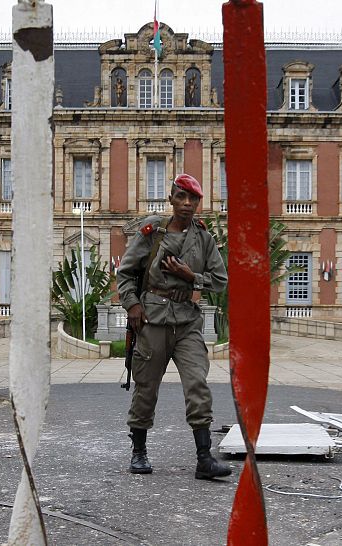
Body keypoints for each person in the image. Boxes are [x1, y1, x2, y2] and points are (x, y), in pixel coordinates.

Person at [116, 173, 231, 480]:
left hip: (187, 321)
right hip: (152, 319)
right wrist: (133, 305)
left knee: (197, 383)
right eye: (181, 196)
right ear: (171, 199)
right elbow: (126, 274)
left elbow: (220, 282)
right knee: (146, 387)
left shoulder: (203, 239)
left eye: (193, 198)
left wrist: (191, 276)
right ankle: (138, 453)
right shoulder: (152, 233)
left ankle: (204, 459)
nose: (187, 203)